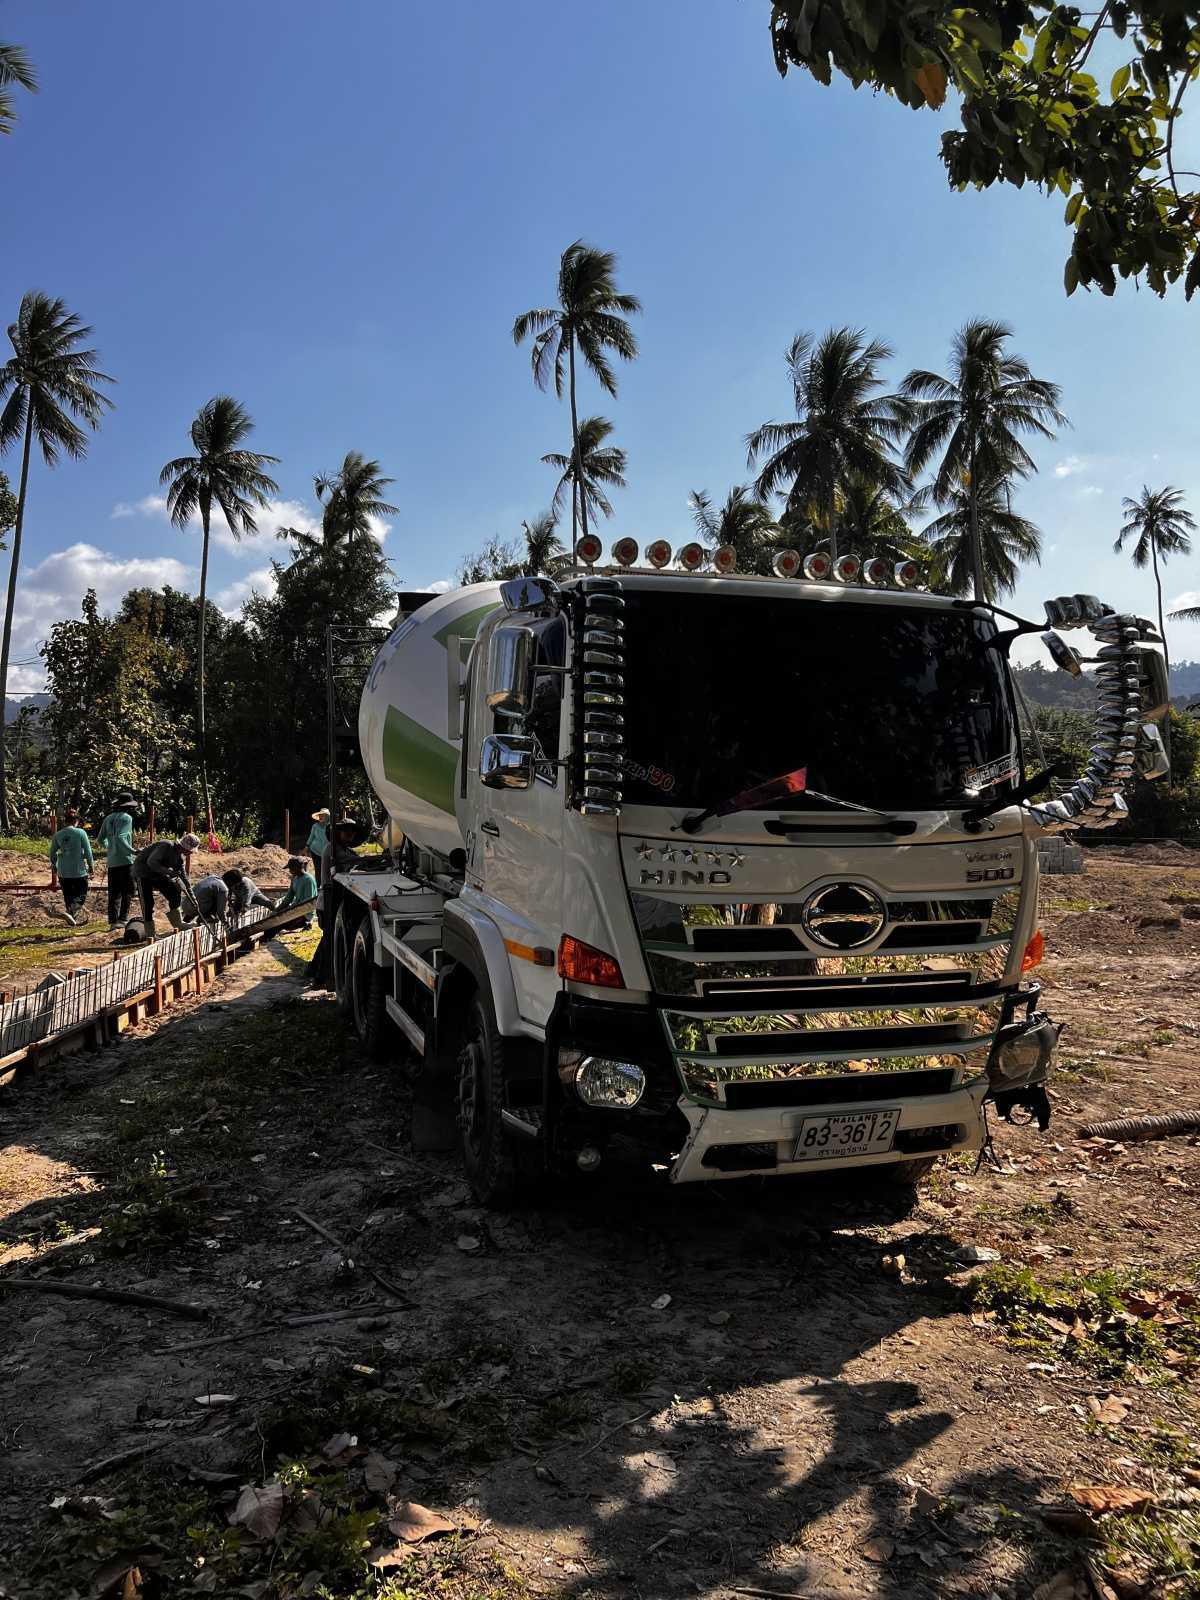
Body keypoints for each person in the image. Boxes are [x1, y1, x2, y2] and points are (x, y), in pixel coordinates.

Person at [131, 833, 200, 936]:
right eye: (190, 851)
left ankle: (178, 923)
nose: (191, 853)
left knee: (175, 891)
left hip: (157, 873)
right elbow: (151, 862)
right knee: (147, 902)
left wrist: (193, 899)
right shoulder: (166, 846)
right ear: (184, 847)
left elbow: (184, 880)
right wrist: (170, 872)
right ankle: (150, 933)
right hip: (143, 872)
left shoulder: (179, 858)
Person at [97, 790, 139, 931]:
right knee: (128, 890)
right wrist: (132, 851)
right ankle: (123, 918)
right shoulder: (126, 818)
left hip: (112, 861)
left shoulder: (108, 818)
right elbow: (121, 837)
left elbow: (100, 839)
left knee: (114, 892)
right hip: (125, 860)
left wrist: (110, 848)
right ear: (128, 807)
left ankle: (113, 921)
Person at [48, 809, 94, 925]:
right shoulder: (81, 833)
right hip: (78, 870)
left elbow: (52, 853)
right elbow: (88, 851)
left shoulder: (58, 834)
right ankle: (73, 912)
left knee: (68, 895)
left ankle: (71, 918)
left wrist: (54, 865)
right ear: (76, 821)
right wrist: (91, 866)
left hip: (63, 870)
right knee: (81, 894)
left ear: (65, 821)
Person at [274, 856, 318, 928]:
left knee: (280, 925)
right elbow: (288, 898)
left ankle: (308, 923)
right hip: (295, 910)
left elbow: (308, 903)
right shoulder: (294, 878)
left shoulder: (308, 880)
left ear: (296, 868)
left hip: (305, 914)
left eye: (291, 869)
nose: (289, 871)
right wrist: (277, 911)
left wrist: (291, 910)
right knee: (276, 921)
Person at [307, 807, 330, 877]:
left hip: (327, 851)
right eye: (320, 815)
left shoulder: (330, 826)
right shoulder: (315, 826)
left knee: (327, 869)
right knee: (318, 869)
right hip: (315, 850)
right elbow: (311, 837)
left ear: (327, 817)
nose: (320, 817)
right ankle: (318, 885)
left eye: (322, 815)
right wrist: (307, 846)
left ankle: (325, 885)